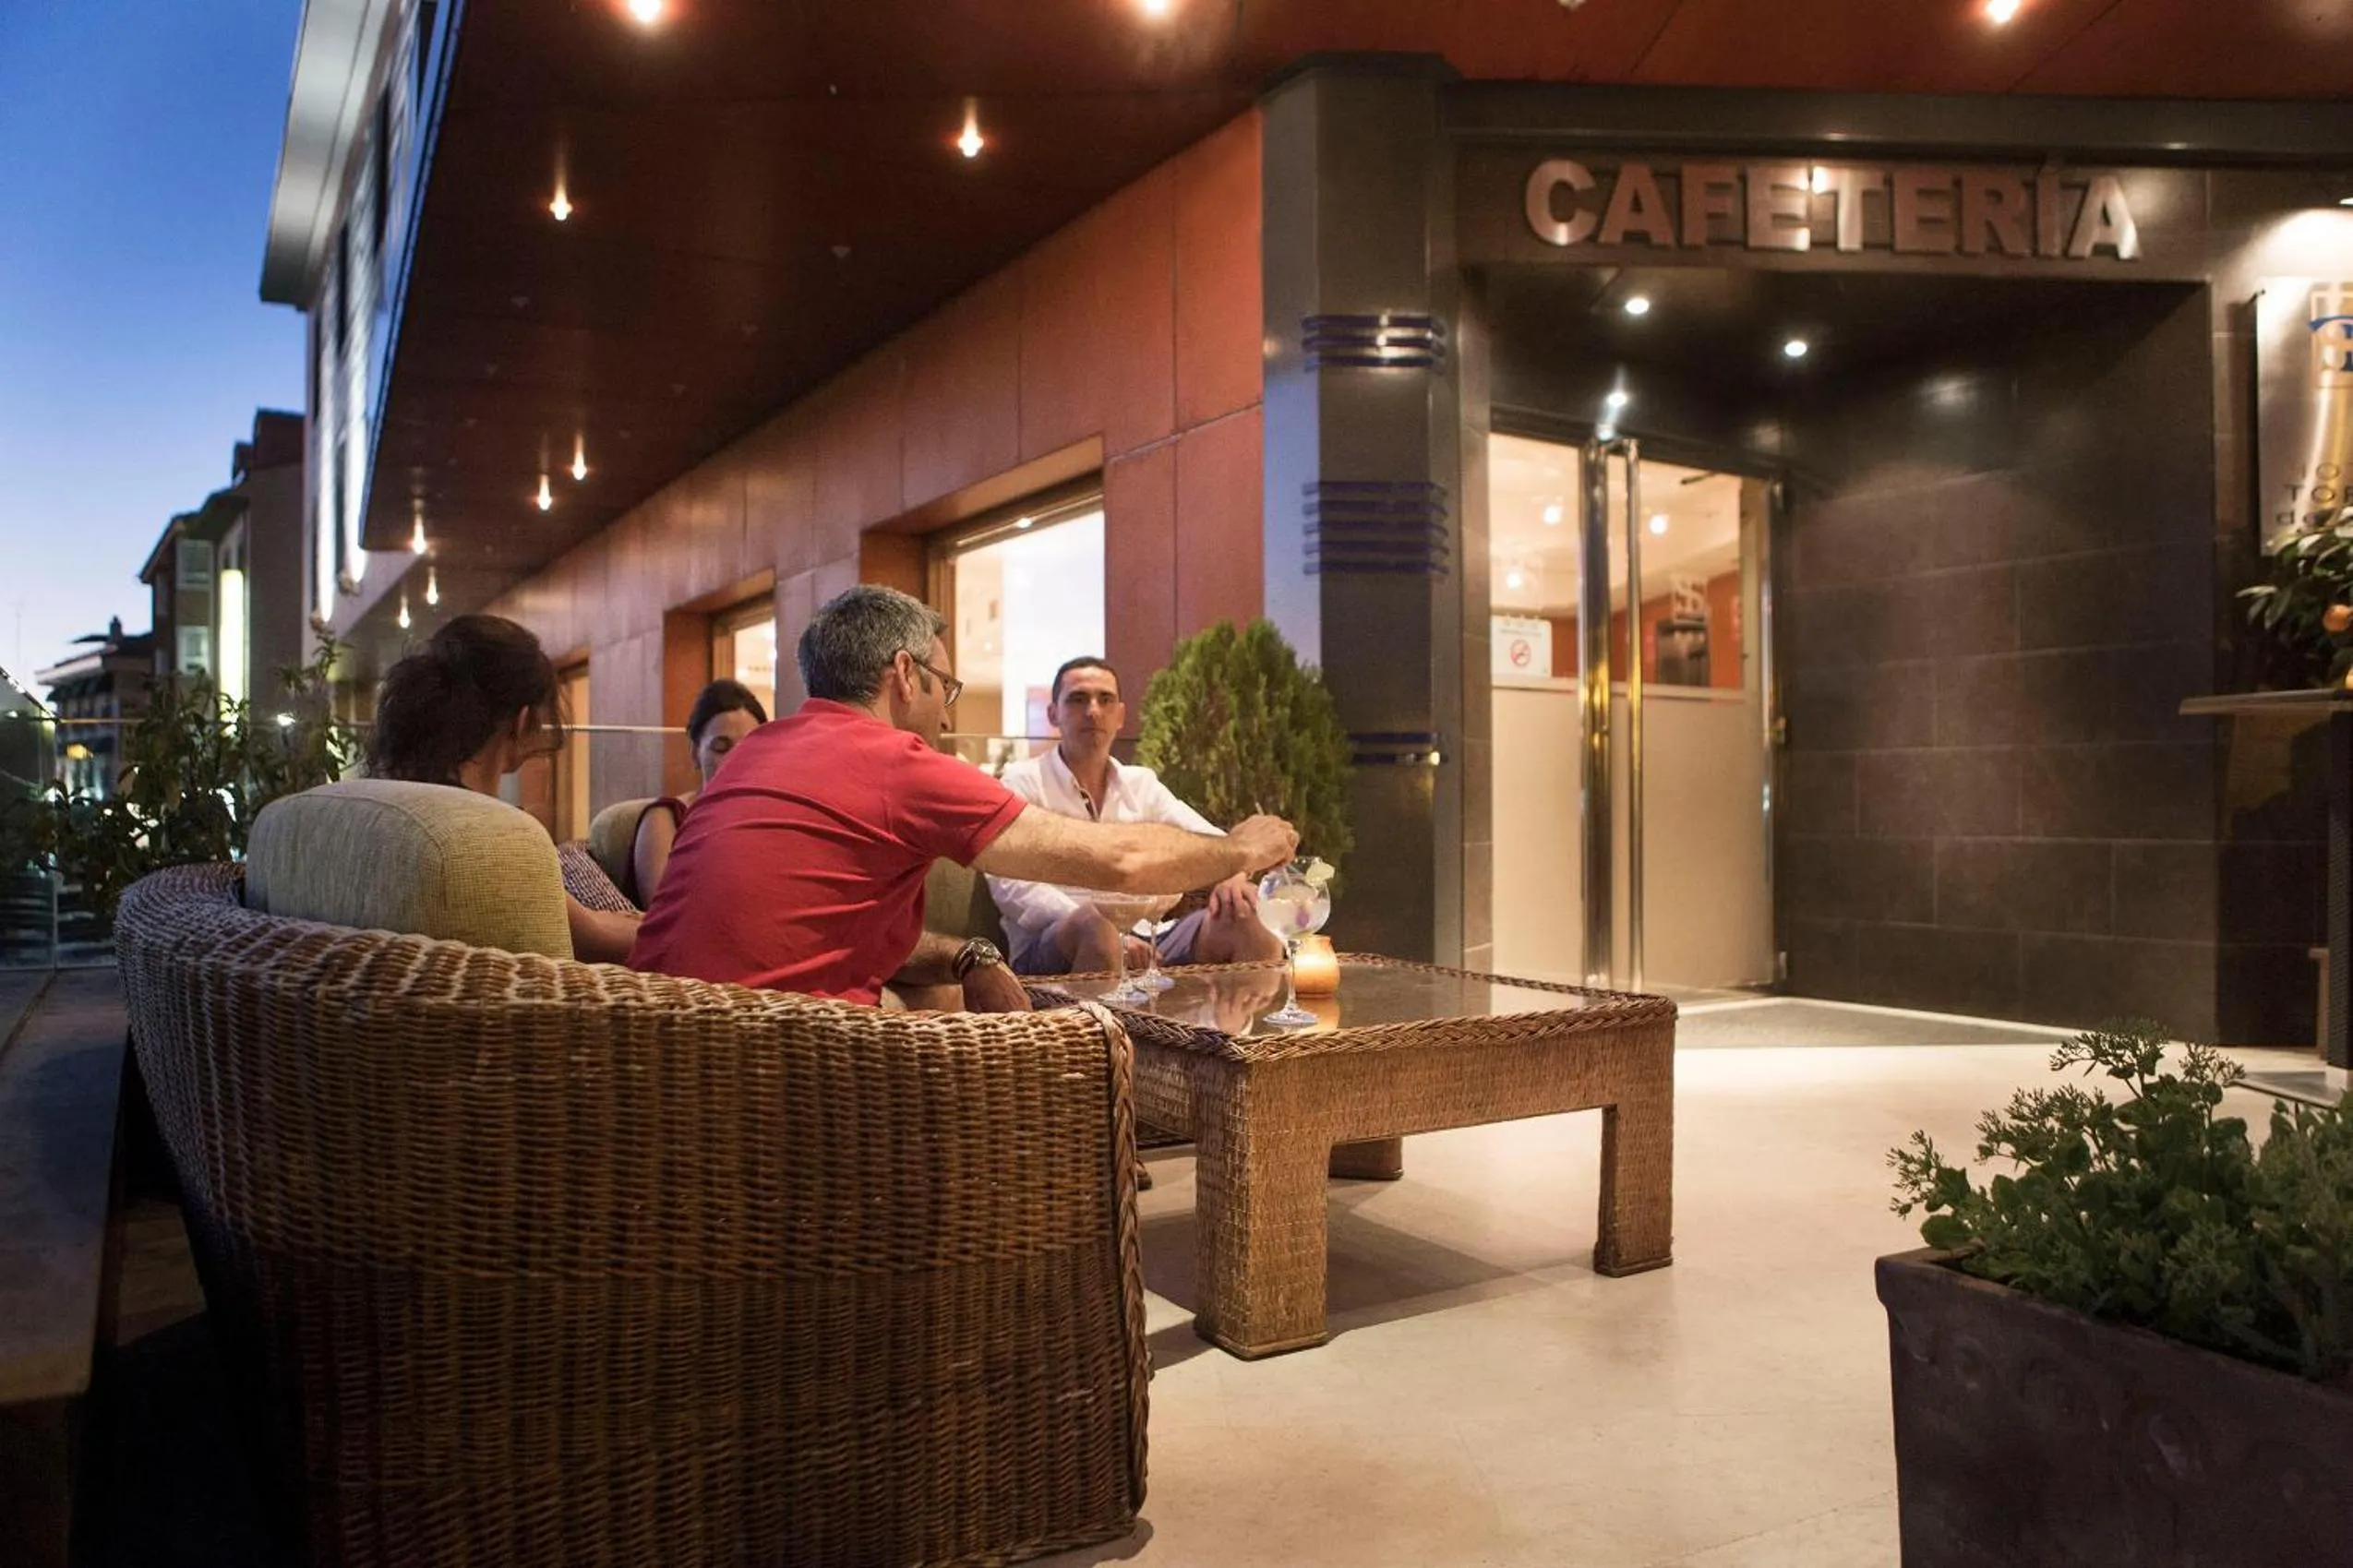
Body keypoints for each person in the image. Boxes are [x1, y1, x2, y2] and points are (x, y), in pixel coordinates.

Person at [629, 584, 1298, 1011]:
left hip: (656, 1044)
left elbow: (802, 930)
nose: (947, 718)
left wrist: (963, 953)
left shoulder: (757, 750)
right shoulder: (895, 762)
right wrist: (1239, 847)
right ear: (902, 674)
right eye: (945, 689)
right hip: (780, 1069)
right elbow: (1118, 861)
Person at [366, 614, 643, 964]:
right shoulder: (494, 836)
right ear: (523, 719)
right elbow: (596, 941)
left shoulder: (398, 802)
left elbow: (582, 922)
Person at [988, 656, 1284, 976]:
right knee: (1096, 926)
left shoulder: (1140, 783)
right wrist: (1108, 932)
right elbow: (1012, 885)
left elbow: (1206, 837)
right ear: (1053, 713)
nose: (1093, 711)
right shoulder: (1022, 781)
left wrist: (1232, 874)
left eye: (1105, 699)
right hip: (1052, 944)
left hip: (1148, 934)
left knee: (1249, 916)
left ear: (1120, 716)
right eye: (1077, 699)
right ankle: (1097, 1027)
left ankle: (1239, 1025)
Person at [627, 678, 768, 905]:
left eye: (748, 748)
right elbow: (663, 910)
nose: (736, 760)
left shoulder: (771, 815)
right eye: (721, 748)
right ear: (695, 752)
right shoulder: (665, 819)